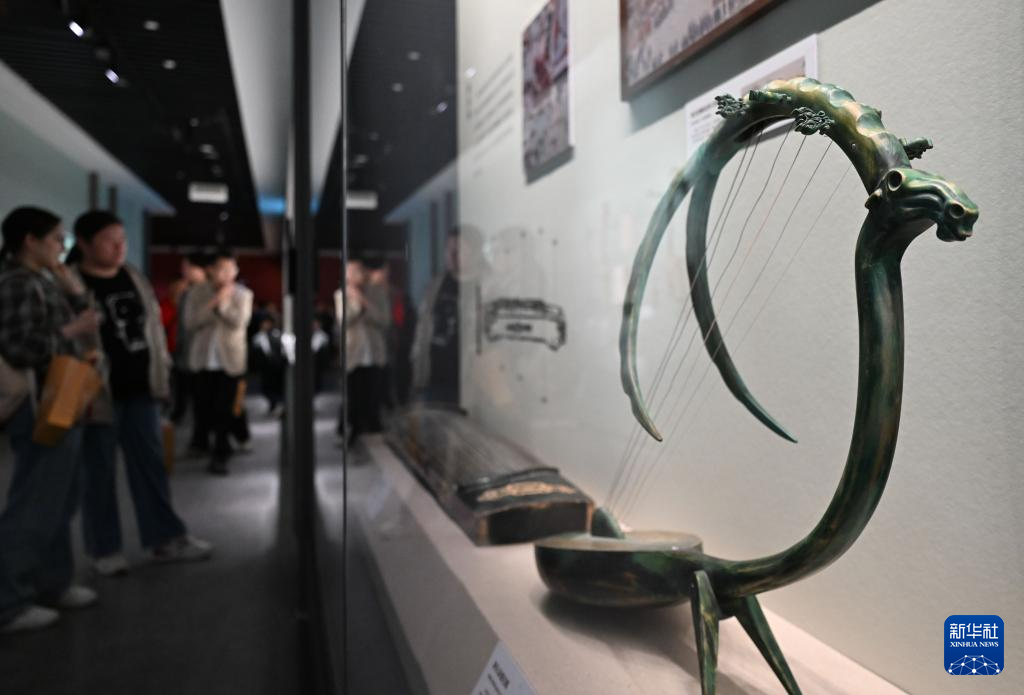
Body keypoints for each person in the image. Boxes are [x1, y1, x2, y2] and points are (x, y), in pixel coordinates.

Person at [70, 211, 212, 575]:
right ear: (84, 243)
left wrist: (161, 378)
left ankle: (164, 538)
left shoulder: (133, 276)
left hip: (141, 388)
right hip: (95, 392)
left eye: (122, 239)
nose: (119, 247)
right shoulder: (71, 283)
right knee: (98, 472)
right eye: (109, 240)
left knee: (150, 466)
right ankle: (104, 548)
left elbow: (154, 332)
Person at [0, 207, 100, 633]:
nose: (62, 246)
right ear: (30, 240)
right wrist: (71, 331)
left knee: (60, 495)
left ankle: (51, 581)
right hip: (41, 400)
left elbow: (88, 323)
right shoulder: (18, 283)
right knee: (36, 499)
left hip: (62, 395)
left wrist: (74, 293)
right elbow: (19, 346)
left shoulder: (44, 280)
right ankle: (9, 600)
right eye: (57, 238)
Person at [185, 249, 253, 475]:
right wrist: (214, 301)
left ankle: (221, 454)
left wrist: (223, 304)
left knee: (226, 410)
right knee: (204, 408)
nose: (227, 274)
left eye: (231, 269)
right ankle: (204, 443)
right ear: (211, 270)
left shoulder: (243, 294)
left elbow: (239, 322)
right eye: (222, 269)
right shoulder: (197, 292)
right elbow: (190, 323)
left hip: (230, 361)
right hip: (202, 360)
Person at [340, 259, 389, 446]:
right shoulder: (342, 294)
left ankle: (374, 430)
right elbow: (343, 321)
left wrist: (364, 302)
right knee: (354, 395)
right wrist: (355, 303)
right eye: (350, 272)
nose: (354, 276)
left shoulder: (377, 293)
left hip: (374, 352)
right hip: (354, 353)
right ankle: (353, 430)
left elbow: (384, 320)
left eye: (357, 271)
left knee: (373, 394)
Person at [168, 252, 207, 423]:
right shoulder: (186, 292)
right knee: (182, 387)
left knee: (201, 395)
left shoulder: (208, 292)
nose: (184, 271)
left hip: (201, 352)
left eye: (187, 267)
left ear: (200, 269)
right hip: (183, 348)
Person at [251, 316, 285, 416]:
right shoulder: (257, 337)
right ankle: (273, 404)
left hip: (277, 366)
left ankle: (278, 404)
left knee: (277, 386)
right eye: (264, 323)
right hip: (265, 367)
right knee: (266, 388)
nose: (266, 325)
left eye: (268, 323)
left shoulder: (277, 334)